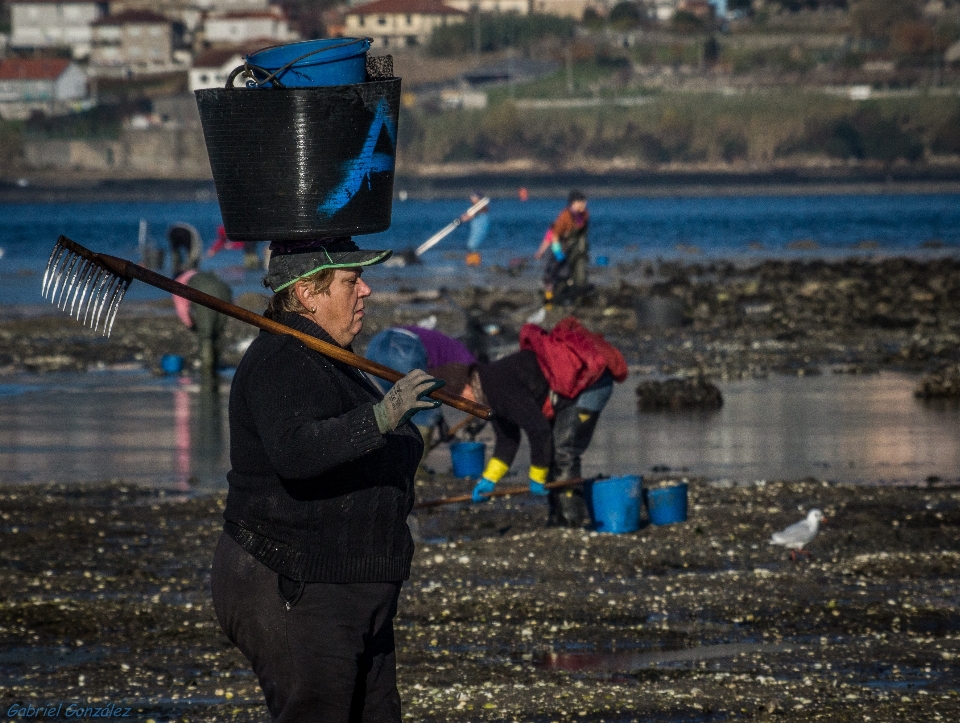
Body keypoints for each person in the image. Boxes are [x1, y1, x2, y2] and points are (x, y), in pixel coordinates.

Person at [210, 236, 445, 723]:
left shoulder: (329, 356)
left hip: (354, 584)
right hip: (295, 581)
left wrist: (399, 430)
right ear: (307, 294)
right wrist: (381, 417)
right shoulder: (282, 359)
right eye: (351, 280)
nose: (367, 290)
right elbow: (298, 451)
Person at [431, 317, 626, 527]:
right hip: (564, 394)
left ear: (466, 388)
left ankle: (571, 520)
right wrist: (489, 479)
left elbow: (539, 431)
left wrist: (537, 475)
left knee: (564, 451)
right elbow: (508, 440)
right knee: (551, 451)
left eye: (460, 402)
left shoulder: (497, 387)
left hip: (591, 383)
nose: (463, 408)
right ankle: (556, 517)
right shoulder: (487, 394)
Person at [364, 325, 475, 451]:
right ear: (469, 385)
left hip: (376, 345)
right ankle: (414, 464)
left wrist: (440, 420)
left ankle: (389, 452)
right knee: (422, 408)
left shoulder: (455, 359)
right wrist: (437, 418)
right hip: (404, 350)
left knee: (394, 404)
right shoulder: (466, 366)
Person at [172, 266, 233, 379]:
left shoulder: (179, 282)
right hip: (225, 291)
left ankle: (207, 373)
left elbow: (183, 309)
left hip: (205, 293)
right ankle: (215, 368)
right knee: (217, 332)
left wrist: (192, 325)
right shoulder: (201, 274)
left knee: (206, 335)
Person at [535, 190, 590, 305]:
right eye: (582, 201)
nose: (584, 204)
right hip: (559, 248)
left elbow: (582, 233)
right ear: (574, 203)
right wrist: (557, 252)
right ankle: (549, 300)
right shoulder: (565, 215)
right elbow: (554, 235)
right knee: (553, 275)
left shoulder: (585, 214)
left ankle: (574, 299)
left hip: (575, 249)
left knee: (574, 275)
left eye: (584, 201)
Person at [461, 191, 489, 266]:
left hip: (480, 227)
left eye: (473, 196)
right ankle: (472, 262)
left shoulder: (481, 206)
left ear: (478, 198)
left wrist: (465, 218)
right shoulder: (475, 207)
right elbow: (469, 214)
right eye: (471, 196)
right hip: (476, 227)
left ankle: (474, 262)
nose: (471, 198)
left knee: (472, 245)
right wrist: (464, 217)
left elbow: (474, 214)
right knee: (471, 245)